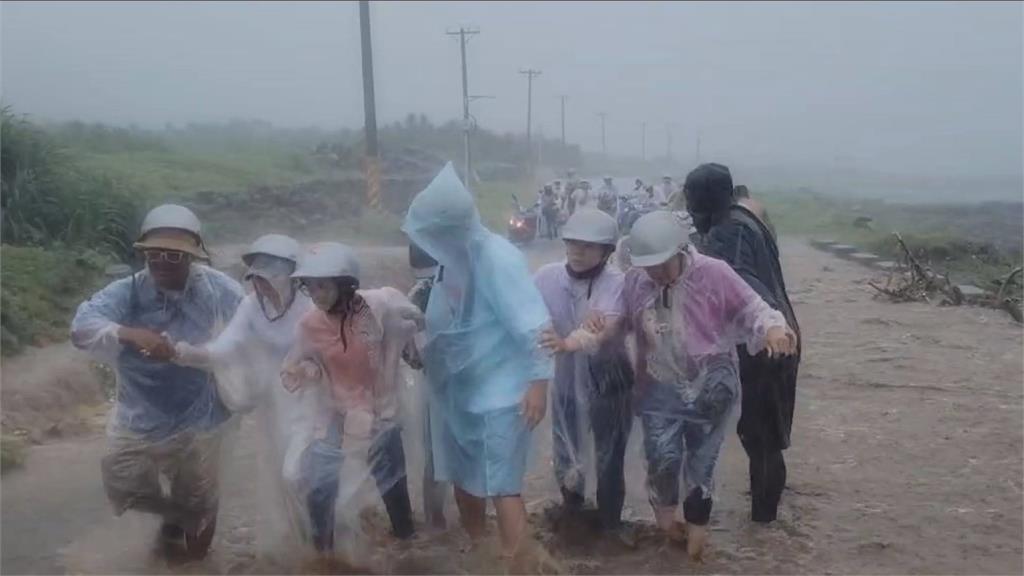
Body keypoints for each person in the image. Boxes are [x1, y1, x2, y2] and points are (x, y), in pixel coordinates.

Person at [402, 163, 554, 569]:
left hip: (502, 395)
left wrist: (539, 382)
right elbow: (449, 323)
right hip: (459, 394)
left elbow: (535, 325)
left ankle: (518, 561)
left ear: (450, 227)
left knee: (502, 484)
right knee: (463, 477)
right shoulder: (452, 261)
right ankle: (481, 551)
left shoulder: (497, 259)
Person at [70, 204, 243, 560]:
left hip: (202, 414)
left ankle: (196, 562)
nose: (161, 262)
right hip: (140, 413)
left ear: (192, 257)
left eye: (173, 255)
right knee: (123, 480)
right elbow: (81, 328)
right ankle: (174, 518)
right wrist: (130, 333)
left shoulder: (216, 289)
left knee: (199, 496)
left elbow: (251, 328)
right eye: (153, 254)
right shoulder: (127, 291)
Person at [622, 211, 797, 561]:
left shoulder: (713, 274)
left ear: (680, 251)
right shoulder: (635, 282)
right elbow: (616, 322)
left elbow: (754, 308)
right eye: (648, 266)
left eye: (662, 264)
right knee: (662, 460)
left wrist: (774, 330)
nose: (655, 273)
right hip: (657, 386)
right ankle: (668, 532)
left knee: (702, 466)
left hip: (711, 384)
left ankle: (695, 549)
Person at [172, 233, 323, 553]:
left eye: (268, 279)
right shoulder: (252, 305)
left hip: (310, 401)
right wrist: (187, 353)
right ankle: (302, 547)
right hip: (273, 403)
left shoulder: (311, 306)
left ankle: (320, 536)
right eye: (256, 279)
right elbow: (226, 346)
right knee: (279, 476)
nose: (262, 286)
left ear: (289, 278)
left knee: (294, 473)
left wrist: (313, 371)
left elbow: (328, 352)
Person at [280, 242, 420, 550]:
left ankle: (407, 551)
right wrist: (306, 371)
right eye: (309, 287)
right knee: (319, 488)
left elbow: (411, 315)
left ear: (345, 285)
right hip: (336, 414)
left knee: (394, 488)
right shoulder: (309, 325)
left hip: (381, 413)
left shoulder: (376, 305)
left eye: (322, 286)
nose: (315, 294)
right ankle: (323, 558)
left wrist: (411, 346)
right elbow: (290, 366)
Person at [684, 163, 801, 524]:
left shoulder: (725, 234)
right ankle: (767, 531)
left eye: (692, 205)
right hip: (780, 335)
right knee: (763, 438)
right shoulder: (745, 219)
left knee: (760, 438)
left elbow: (747, 292)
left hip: (765, 345)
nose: (690, 213)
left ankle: (763, 527)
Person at [534, 209, 634, 537]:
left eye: (589, 247)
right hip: (564, 375)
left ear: (606, 252)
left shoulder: (617, 282)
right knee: (565, 447)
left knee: (609, 454)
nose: (578, 252)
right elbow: (522, 314)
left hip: (610, 376)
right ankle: (572, 513)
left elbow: (607, 327)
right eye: (573, 244)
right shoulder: (546, 277)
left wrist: (569, 342)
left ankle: (609, 525)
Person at [404, 241, 449, 529]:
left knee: (435, 454)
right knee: (441, 452)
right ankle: (441, 519)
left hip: (436, 384)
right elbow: (411, 354)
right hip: (445, 384)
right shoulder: (422, 293)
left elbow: (410, 355)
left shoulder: (416, 293)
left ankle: (437, 521)